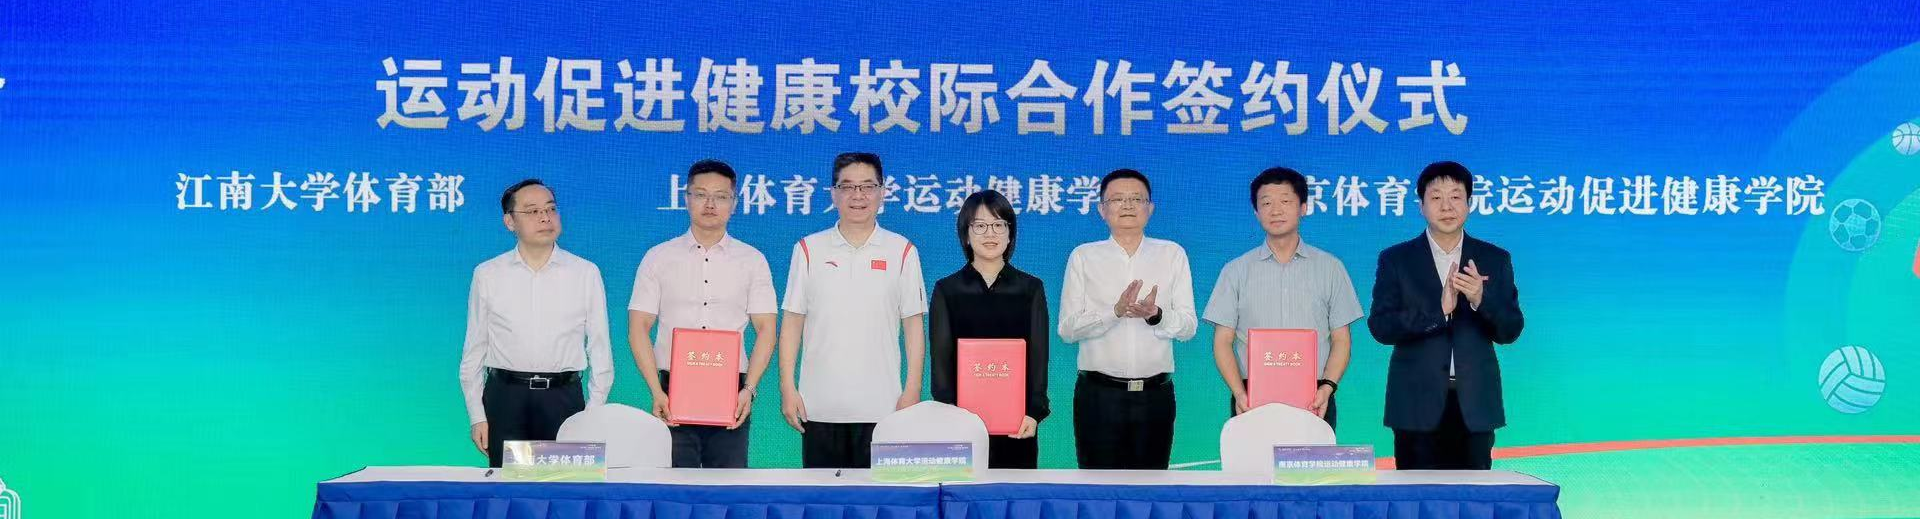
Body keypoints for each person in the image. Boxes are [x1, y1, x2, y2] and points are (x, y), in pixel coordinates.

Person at [1368, 161, 1526, 470]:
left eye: (1455, 196)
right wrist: (1438, 312)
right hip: (1415, 405)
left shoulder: (1494, 258)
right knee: (1417, 494)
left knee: (1472, 494)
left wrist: (1480, 299)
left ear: (1469, 203)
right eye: (1436, 197)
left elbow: (1510, 330)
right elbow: (1381, 327)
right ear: (1421, 206)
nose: (1446, 206)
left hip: (1475, 404)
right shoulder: (1397, 259)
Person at [778, 152, 928, 468]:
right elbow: (792, 323)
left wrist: (912, 389)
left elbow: (913, 327)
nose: (857, 195)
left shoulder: (902, 250)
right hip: (818, 407)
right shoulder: (808, 249)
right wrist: (787, 387)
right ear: (833, 193)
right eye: (847, 186)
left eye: (867, 186)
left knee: (879, 496)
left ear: (882, 192)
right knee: (822, 496)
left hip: (884, 408)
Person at [628, 159, 778, 467]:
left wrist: (749, 390)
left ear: (734, 203)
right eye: (700, 195)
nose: (710, 204)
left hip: (731, 394)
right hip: (671, 393)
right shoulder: (658, 257)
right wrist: (656, 391)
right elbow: (638, 326)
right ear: (686, 199)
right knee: (673, 487)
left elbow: (766, 329)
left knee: (727, 486)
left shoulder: (752, 260)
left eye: (721, 196)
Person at [459, 179, 615, 468]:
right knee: (510, 488)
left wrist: (593, 413)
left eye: (551, 209)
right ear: (510, 222)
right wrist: (477, 415)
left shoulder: (584, 272)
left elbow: (600, 347)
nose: (545, 217)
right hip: (506, 399)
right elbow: (475, 348)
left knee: (566, 486)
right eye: (532, 211)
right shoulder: (488, 274)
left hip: (563, 399)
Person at [1058, 168, 1197, 470]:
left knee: (1151, 488)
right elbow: (1067, 329)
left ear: (1150, 208)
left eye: (1137, 199)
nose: (1128, 205)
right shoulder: (1084, 256)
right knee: (1098, 489)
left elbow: (1188, 327)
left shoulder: (1172, 254)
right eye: (1118, 199)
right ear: (1101, 210)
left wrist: (1156, 315)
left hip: (1155, 397)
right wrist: (1115, 313)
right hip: (1098, 396)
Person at [1204, 167, 1362, 428]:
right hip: (1252, 397)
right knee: (1254, 457)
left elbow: (1341, 339)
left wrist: (1327, 387)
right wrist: (1239, 393)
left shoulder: (1330, 267)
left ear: (1303, 208)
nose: (1275, 210)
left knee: (1311, 457)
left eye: (1285, 201)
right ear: (1256, 212)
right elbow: (1222, 341)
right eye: (1266, 203)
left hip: (1315, 397)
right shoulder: (1235, 271)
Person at [928, 190, 1051, 469]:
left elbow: (1038, 355)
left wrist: (1034, 412)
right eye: (980, 226)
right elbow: (941, 358)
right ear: (966, 234)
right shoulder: (947, 289)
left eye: (998, 225)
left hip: (1018, 423)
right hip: (960, 426)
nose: (990, 233)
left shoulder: (1030, 288)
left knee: (1016, 494)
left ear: (1010, 234)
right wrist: (948, 413)